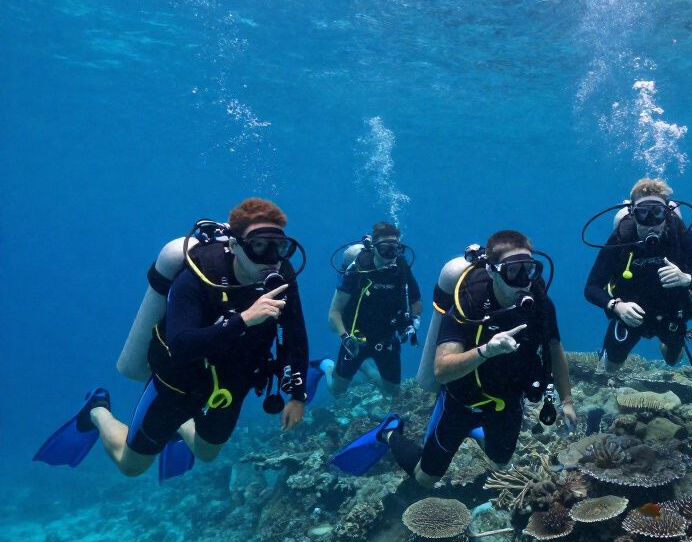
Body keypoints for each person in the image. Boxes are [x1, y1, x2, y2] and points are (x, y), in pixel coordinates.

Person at [34, 198, 310, 476]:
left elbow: (295, 334)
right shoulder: (200, 275)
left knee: (207, 453)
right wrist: (244, 319)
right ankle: (96, 409)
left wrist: (298, 396)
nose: (272, 258)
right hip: (176, 384)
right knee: (132, 466)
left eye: (280, 247)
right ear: (236, 245)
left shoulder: (281, 274)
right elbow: (180, 345)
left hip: (231, 384)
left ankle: (180, 425)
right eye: (260, 246)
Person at [391, 230, 576, 488]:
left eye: (530, 270)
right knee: (425, 479)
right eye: (513, 271)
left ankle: (475, 431)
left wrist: (566, 400)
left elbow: (555, 349)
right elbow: (442, 369)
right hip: (461, 400)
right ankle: (389, 432)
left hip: (505, 401)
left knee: (500, 462)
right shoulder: (469, 302)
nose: (524, 281)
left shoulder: (541, 303)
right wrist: (487, 350)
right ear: (492, 271)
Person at [584, 178, 692, 374]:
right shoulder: (620, 238)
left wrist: (686, 279)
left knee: (672, 360)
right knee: (609, 369)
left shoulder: (681, 236)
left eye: (657, 213)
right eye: (642, 213)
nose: (651, 223)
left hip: (671, 312)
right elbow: (591, 288)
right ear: (632, 213)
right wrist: (617, 306)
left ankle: (668, 344)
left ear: (667, 213)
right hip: (629, 314)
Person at [320, 222, 422, 408]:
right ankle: (326, 366)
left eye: (395, 249)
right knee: (337, 391)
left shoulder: (401, 268)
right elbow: (334, 312)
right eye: (385, 249)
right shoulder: (358, 269)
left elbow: (416, 301)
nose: (390, 255)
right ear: (373, 248)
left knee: (392, 393)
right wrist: (345, 337)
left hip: (386, 337)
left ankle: (365, 368)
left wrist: (413, 322)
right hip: (355, 339)